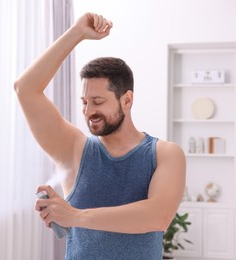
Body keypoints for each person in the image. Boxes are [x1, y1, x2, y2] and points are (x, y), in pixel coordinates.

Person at [14, 12, 186, 260]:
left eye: (98, 101)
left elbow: (157, 217)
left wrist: (74, 215)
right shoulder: (73, 149)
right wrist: (76, 33)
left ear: (127, 100)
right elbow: (25, 88)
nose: (88, 111)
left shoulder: (165, 154)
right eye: (84, 101)